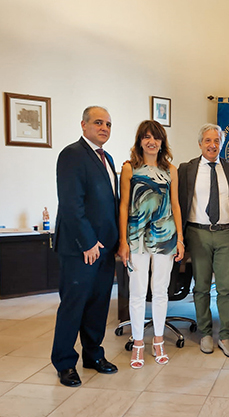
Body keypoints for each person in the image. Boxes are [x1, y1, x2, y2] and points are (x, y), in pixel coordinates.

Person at [51, 106, 119, 387]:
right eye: (98, 122)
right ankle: (65, 363)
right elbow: (71, 203)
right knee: (73, 306)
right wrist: (88, 242)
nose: (104, 127)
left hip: (105, 249)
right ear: (83, 125)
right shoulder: (72, 154)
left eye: (108, 124)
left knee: (98, 306)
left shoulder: (107, 158)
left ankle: (93, 355)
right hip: (81, 248)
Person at [117, 120, 184, 369]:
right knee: (136, 292)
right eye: (146, 137)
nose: (151, 141)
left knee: (160, 291)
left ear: (162, 141)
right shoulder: (129, 169)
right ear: (139, 141)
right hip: (136, 237)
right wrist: (122, 240)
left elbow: (175, 205)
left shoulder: (171, 170)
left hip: (165, 236)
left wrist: (180, 239)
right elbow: (124, 205)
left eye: (155, 137)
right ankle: (137, 343)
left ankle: (157, 340)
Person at [178, 124, 229, 358]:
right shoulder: (186, 169)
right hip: (198, 233)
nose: (212, 145)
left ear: (222, 143)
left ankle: (225, 336)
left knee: (226, 288)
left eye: (216, 140)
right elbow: (177, 202)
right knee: (201, 287)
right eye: (207, 140)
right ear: (200, 143)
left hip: (225, 233)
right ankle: (205, 333)